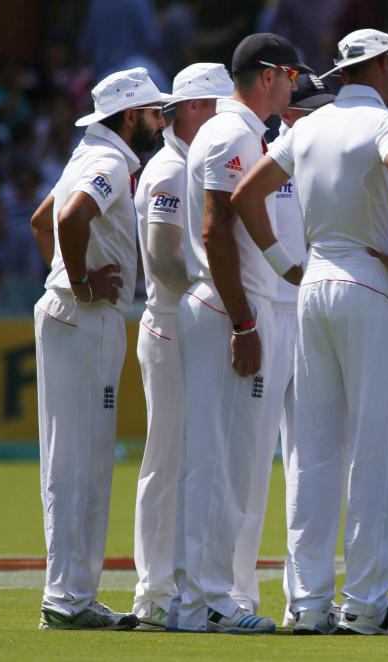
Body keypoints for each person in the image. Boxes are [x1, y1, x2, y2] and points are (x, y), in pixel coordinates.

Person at [229, 28, 388, 635]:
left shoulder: (306, 126)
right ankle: (367, 605)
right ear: (386, 67)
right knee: (375, 448)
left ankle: (309, 603)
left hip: (313, 284)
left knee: (313, 452)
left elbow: (245, 194)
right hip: (371, 283)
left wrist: (280, 261)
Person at [170, 33, 304, 635]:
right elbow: (216, 229)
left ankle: (198, 599)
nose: (296, 85)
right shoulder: (233, 133)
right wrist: (247, 319)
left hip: (234, 303)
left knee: (227, 458)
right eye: (293, 75)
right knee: (224, 459)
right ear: (270, 74)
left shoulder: (241, 133)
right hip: (232, 309)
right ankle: (210, 601)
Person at [31, 66, 168, 630]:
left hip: (73, 313)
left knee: (75, 458)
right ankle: (68, 600)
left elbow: (43, 223)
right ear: (130, 116)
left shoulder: (89, 154)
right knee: (81, 460)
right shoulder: (110, 161)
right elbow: (65, 217)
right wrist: (81, 282)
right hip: (86, 315)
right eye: (154, 112)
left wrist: (67, 276)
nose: (161, 121)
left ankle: (72, 596)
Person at [131, 62, 234, 629]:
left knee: (186, 457)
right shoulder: (171, 168)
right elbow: (163, 257)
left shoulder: (187, 161)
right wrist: (206, 298)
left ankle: (174, 583)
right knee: (167, 459)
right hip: (173, 326)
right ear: (195, 107)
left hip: (186, 321)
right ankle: (154, 592)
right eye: (217, 105)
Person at [232, 72, 336, 627]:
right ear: (290, 115)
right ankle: (238, 595)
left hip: (316, 313)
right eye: (311, 109)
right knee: (251, 460)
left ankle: (309, 597)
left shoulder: (335, 164)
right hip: (272, 311)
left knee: (314, 458)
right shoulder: (264, 159)